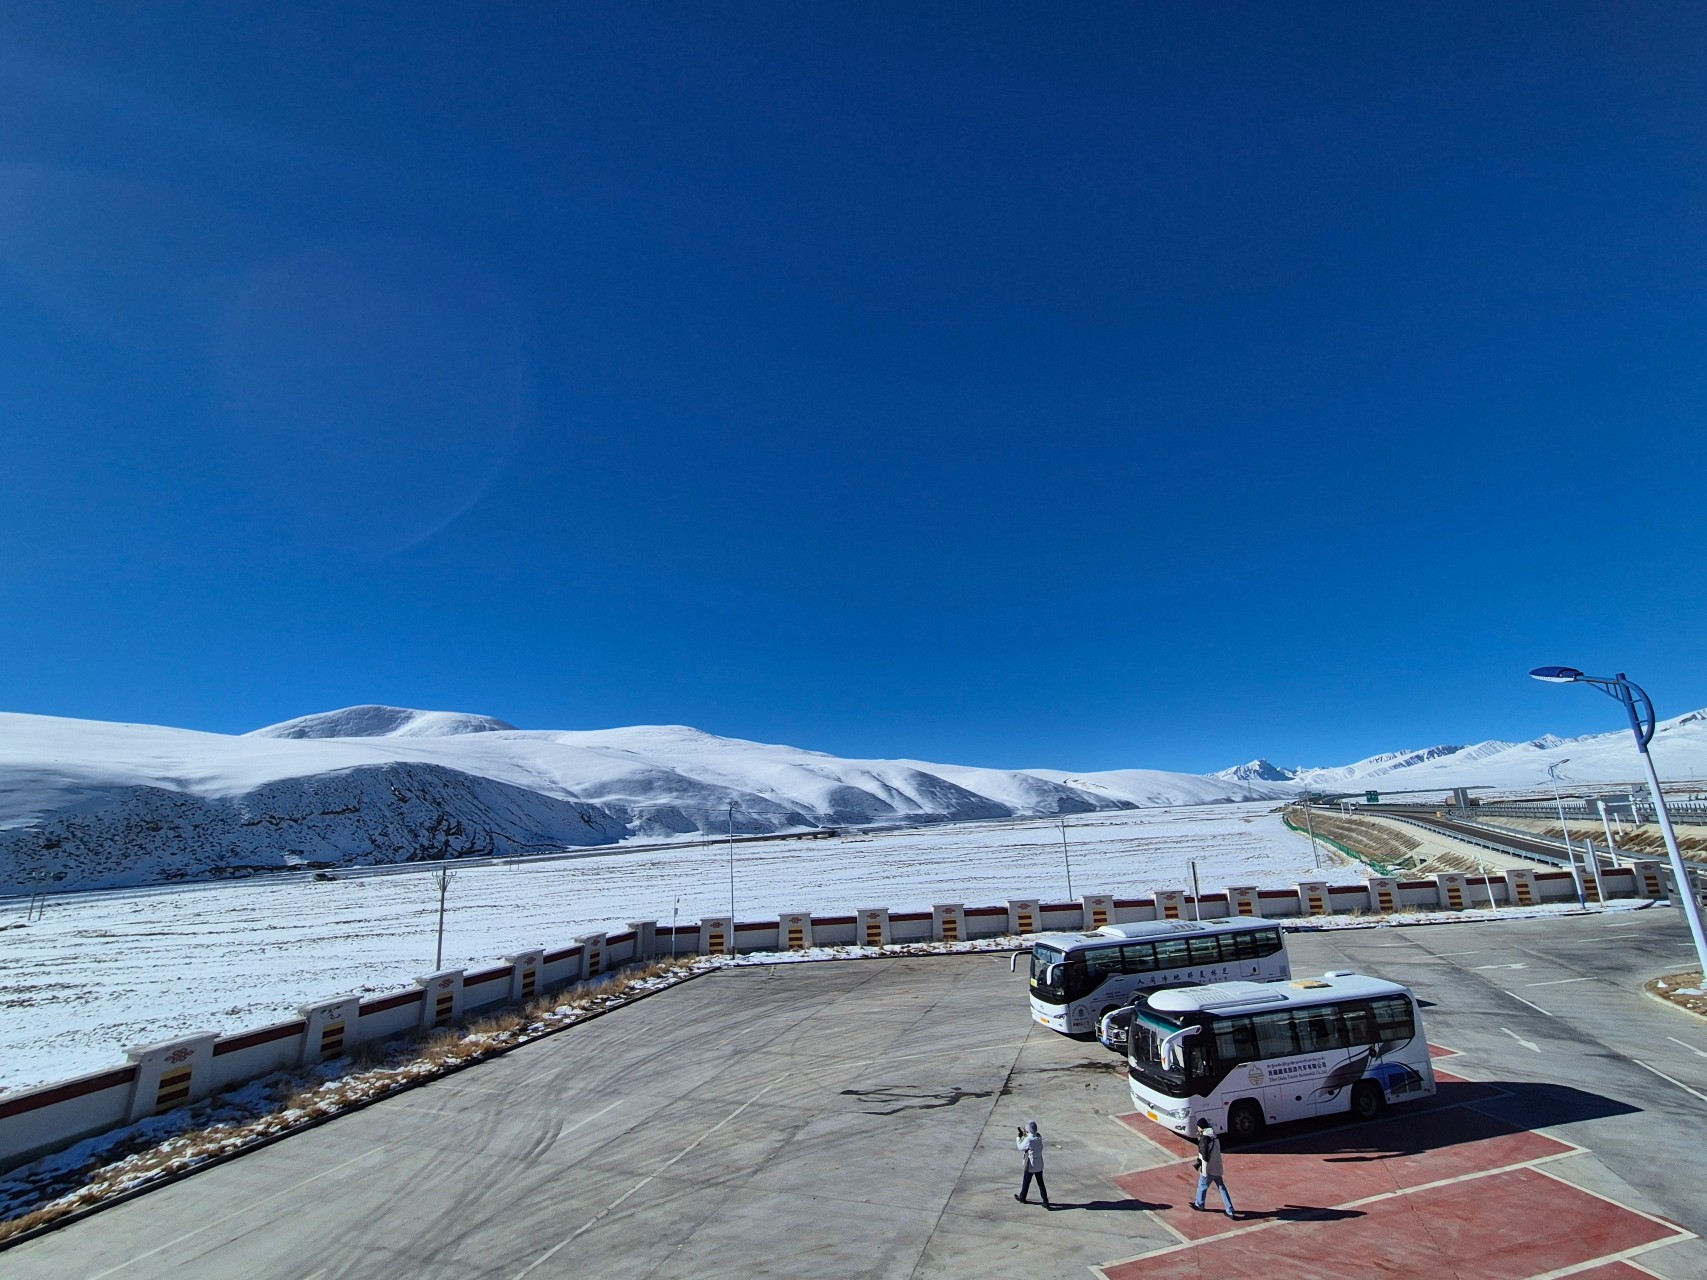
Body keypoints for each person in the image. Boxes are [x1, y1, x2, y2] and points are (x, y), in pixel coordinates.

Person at [1191, 1117, 1236, 1218]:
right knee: (1222, 1188)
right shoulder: (1214, 1136)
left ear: (1201, 1127)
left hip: (1209, 1168)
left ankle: (1199, 1204)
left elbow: (1204, 1156)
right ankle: (1230, 1210)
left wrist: (1204, 1171)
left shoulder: (1204, 1139)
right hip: (1217, 1167)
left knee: (1202, 1186)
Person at [1014, 1120, 1051, 1208]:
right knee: (1040, 1183)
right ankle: (1045, 1201)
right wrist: (1025, 1135)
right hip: (1039, 1163)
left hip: (1031, 1164)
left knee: (1026, 1180)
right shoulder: (1038, 1136)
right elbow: (1030, 1137)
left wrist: (1019, 1138)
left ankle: (1022, 1197)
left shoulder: (1028, 1139)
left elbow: (1021, 1147)